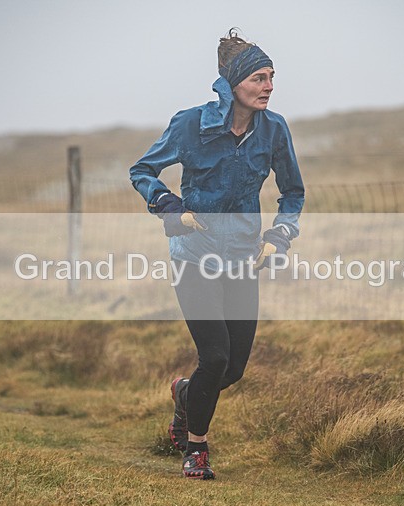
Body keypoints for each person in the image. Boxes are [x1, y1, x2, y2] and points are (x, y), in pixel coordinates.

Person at [129, 28, 304, 480]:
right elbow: (142, 170)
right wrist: (169, 205)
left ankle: (186, 394)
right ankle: (196, 450)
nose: (268, 86)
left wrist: (278, 236)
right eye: (259, 78)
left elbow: (293, 193)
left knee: (234, 368)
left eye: (272, 77)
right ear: (233, 82)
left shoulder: (274, 129)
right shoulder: (191, 124)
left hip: (245, 258)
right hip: (194, 256)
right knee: (215, 357)